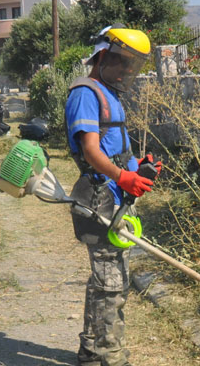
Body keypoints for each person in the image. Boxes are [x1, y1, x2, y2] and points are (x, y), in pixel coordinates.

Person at [65, 24, 161, 366]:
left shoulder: (110, 96)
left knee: (103, 281)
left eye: (132, 65)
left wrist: (139, 167)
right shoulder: (86, 93)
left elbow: (117, 149)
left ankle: (92, 352)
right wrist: (124, 177)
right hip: (99, 202)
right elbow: (92, 151)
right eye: (123, 62)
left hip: (117, 200)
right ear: (103, 55)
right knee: (112, 286)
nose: (127, 71)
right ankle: (110, 358)